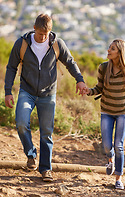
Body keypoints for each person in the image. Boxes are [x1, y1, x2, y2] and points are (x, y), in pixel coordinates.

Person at [4, 13, 86, 182]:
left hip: (48, 94)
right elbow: (11, 67)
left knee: (46, 132)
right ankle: (31, 154)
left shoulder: (57, 44)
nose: (43, 37)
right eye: (41, 33)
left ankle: (45, 169)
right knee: (21, 123)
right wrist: (7, 91)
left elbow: (70, 62)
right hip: (27, 91)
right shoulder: (22, 44)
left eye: (46, 34)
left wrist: (80, 80)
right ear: (34, 29)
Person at [85, 39, 125, 190]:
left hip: (123, 113)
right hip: (107, 111)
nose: (108, 50)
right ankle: (111, 159)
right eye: (109, 48)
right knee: (107, 145)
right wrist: (89, 91)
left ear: (121, 53)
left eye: (112, 49)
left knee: (119, 145)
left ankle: (118, 178)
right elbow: (99, 88)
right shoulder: (104, 68)